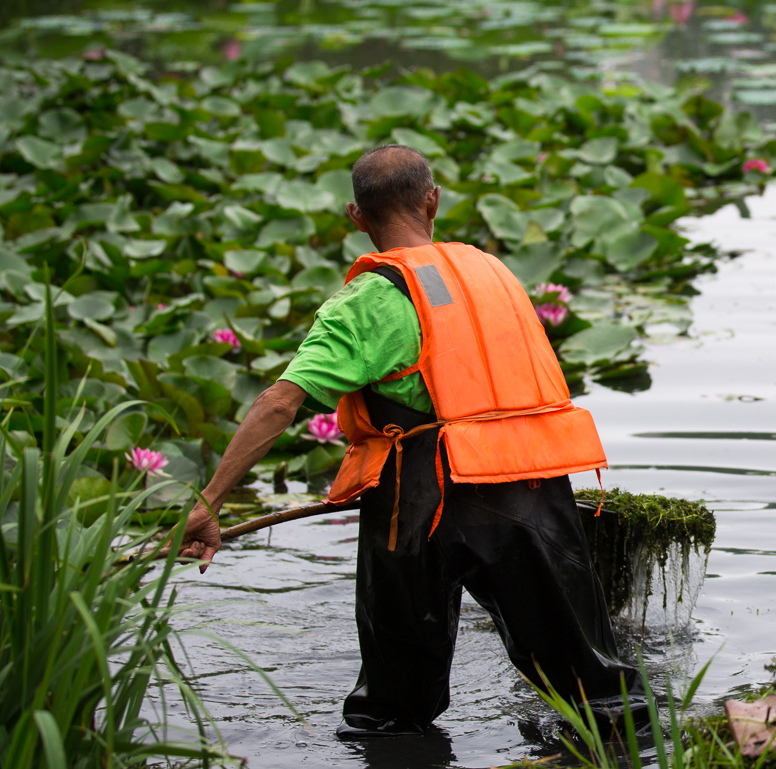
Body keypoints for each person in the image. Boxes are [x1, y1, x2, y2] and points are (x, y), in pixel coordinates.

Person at [178, 144, 639, 736]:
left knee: (394, 707)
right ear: (433, 201)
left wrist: (209, 503)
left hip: (420, 497)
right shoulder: (494, 273)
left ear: (357, 217)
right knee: (593, 680)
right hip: (529, 479)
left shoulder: (366, 303)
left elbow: (279, 403)